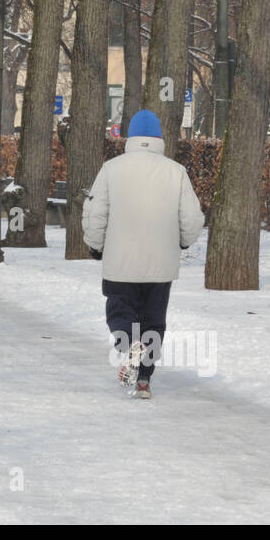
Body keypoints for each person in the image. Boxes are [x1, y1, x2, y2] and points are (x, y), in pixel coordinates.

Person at [82, 109, 204, 399]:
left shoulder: (111, 168)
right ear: (160, 138)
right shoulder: (176, 171)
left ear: (131, 137)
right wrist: (184, 242)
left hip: (120, 261)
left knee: (120, 310)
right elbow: (191, 217)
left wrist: (95, 245)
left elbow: (96, 213)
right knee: (154, 320)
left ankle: (128, 345)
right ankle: (144, 381)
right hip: (160, 264)